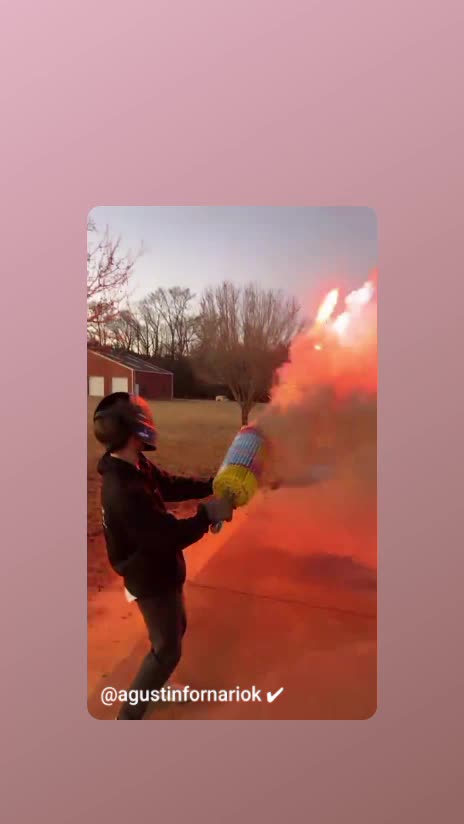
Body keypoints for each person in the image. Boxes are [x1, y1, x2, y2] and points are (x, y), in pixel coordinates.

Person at [93, 391, 233, 720]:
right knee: (168, 648)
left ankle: (157, 682)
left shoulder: (131, 463)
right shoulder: (123, 490)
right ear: (134, 429)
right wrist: (207, 515)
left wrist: (210, 485)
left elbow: (168, 485)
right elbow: (166, 537)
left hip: (159, 568)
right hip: (149, 576)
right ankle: (129, 716)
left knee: (174, 628)